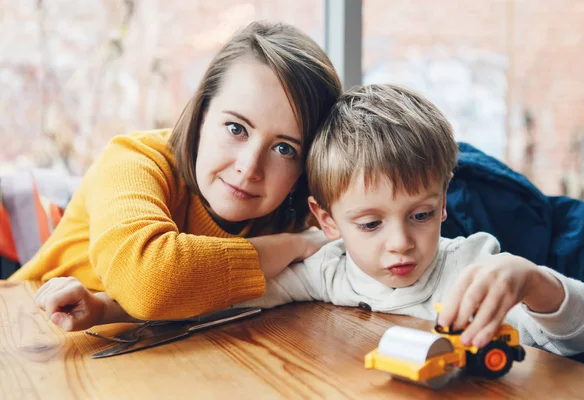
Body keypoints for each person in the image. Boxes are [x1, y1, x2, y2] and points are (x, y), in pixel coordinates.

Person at [35, 84, 584, 357]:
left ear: (444, 205)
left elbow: (583, 335)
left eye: (422, 215)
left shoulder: (477, 265)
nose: (401, 244)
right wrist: (106, 307)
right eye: (370, 224)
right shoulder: (328, 269)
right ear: (326, 221)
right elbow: (230, 298)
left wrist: (534, 281)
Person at [11, 21, 343, 321]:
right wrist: (293, 246)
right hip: (28, 332)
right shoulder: (132, 160)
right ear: (200, 115)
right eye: (236, 128)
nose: (249, 168)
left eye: (284, 148)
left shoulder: (301, 207)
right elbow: (148, 283)